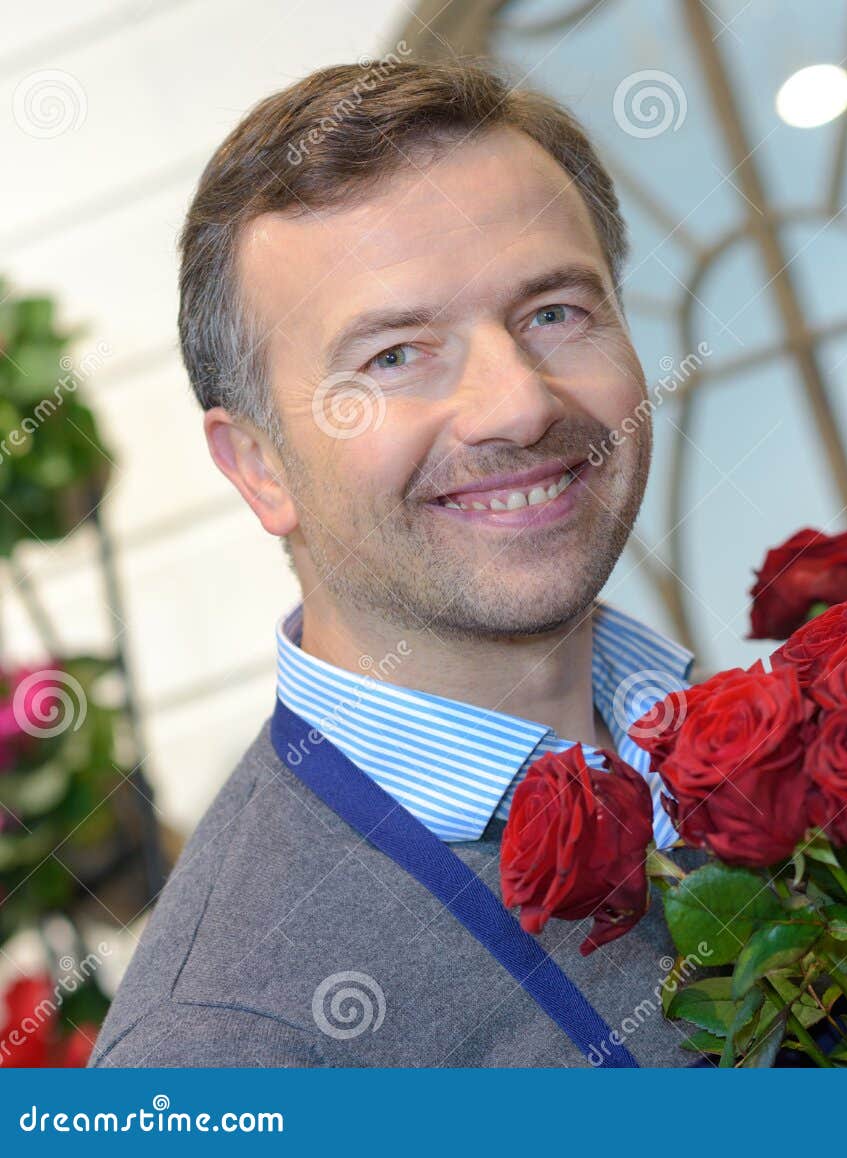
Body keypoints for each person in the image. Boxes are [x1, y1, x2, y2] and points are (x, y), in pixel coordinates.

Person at [91, 58, 701, 1067]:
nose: (520, 403)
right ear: (257, 467)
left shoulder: (766, 744)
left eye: (554, 311)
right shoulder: (218, 1049)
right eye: (395, 355)